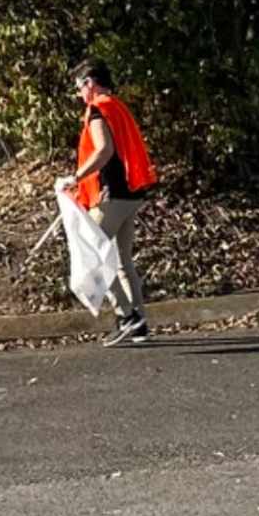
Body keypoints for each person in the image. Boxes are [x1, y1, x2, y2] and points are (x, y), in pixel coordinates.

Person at [68, 54, 156, 346]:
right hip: (133, 191)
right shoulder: (118, 107)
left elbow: (103, 150)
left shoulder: (97, 110)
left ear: (90, 83)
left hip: (112, 195)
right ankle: (139, 321)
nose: (80, 94)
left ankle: (126, 316)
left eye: (80, 87)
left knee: (92, 256)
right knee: (122, 260)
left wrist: (77, 177)